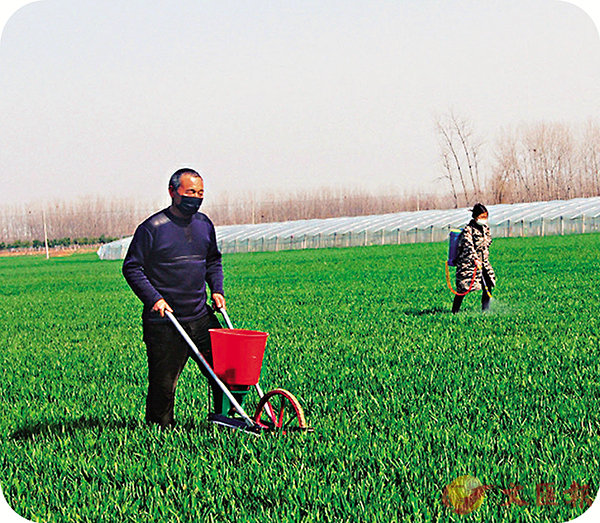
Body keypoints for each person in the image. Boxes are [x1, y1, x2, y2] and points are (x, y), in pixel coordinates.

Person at [122, 168, 226, 428]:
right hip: (165, 322)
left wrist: (216, 288)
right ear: (172, 192)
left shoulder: (204, 225)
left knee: (225, 372)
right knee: (164, 384)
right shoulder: (152, 228)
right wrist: (154, 299)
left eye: (201, 193)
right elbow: (132, 267)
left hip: (201, 316)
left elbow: (213, 260)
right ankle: (160, 431)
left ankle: (226, 419)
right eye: (190, 192)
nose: (196, 198)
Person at [452, 203, 496, 313]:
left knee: (488, 284)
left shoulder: (485, 228)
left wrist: (482, 258)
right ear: (475, 217)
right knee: (464, 288)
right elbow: (468, 246)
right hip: (468, 263)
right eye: (482, 217)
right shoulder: (468, 229)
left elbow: (487, 243)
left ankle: (485, 310)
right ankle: (454, 311)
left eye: (486, 216)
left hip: (483, 262)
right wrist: (475, 259)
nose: (484, 219)